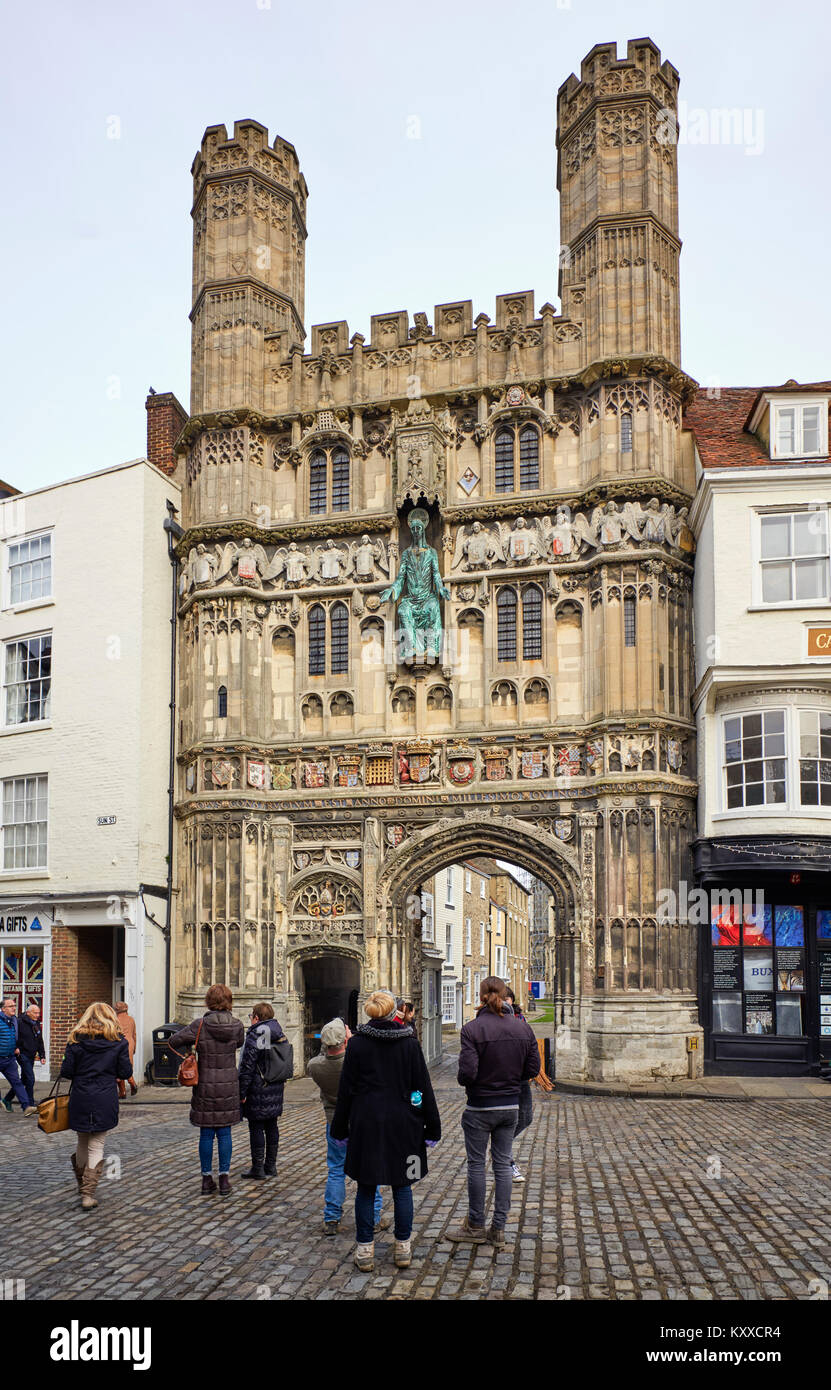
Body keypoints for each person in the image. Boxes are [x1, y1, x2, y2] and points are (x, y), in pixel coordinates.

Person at [330, 990, 441, 1273]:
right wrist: (430, 1123)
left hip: (367, 1123)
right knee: (402, 1186)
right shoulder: (409, 1044)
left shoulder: (357, 1045)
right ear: (396, 1013)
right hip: (404, 1123)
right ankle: (402, 1247)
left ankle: (365, 1250)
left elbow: (347, 1091)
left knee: (366, 1187)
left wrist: (340, 1127)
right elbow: (421, 1087)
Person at [450, 976, 540, 1248]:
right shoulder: (523, 1029)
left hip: (480, 1106)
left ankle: (476, 1225)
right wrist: (511, 1081)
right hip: (509, 1105)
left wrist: (475, 1083)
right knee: (502, 1166)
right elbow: (533, 1069)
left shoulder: (473, 1029)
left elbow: (467, 1073)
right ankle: (498, 1229)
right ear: (505, 996)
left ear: (481, 996)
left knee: (477, 1165)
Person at [308, 1018, 388, 1237]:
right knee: (370, 1169)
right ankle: (373, 1217)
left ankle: (331, 1217)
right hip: (361, 1121)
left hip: (335, 1122)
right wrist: (352, 1042)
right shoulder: (356, 1062)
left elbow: (322, 1058)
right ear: (345, 1040)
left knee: (336, 1169)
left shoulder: (315, 1066)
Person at [170, 984, 245, 1196]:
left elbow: (173, 1040)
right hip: (229, 1084)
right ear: (229, 1001)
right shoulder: (237, 1025)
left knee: (206, 1133)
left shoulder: (199, 1025)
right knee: (224, 1132)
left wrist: (189, 1054)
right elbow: (239, 1043)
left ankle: (206, 1180)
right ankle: (224, 1180)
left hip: (204, 1085)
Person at [59, 1002, 133, 1210]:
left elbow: (66, 1071)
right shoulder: (118, 1042)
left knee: (82, 1140)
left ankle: (83, 1185)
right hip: (104, 1096)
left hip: (81, 1095)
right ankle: (88, 1194)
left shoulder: (75, 1041)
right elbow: (125, 1072)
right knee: (97, 1144)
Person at [238, 1001, 286, 1181]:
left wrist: (241, 1092)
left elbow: (248, 1065)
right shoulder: (278, 1031)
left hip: (259, 1087)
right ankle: (271, 1166)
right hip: (275, 1085)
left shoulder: (260, 1032)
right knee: (272, 1125)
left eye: (251, 1016)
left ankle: (258, 1167)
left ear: (256, 1018)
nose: (250, 1020)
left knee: (257, 1126)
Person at [504, 987, 532, 1183]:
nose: (506, 1001)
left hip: (521, 1078)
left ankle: (501, 1147)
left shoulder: (521, 1020)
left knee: (526, 1117)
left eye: (509, 998)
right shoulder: (490, 1022)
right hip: (503, 1079)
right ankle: (507, 1162)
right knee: (505, 1119)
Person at [2, 998, 40, 1114]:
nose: (14, 1007)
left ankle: (26, 1107)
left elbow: (16, 1036)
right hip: (3, 1056)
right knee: (26, 1079)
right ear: (3, 1009)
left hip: (9, 1058)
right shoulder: (6, 1021)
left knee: (18, 1082)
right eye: (10, 1006)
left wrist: (16, 1047)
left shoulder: (14, 1021)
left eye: (14, 1005)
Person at [114, 1001, 139, 1096]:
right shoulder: (131, 1019)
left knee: (118, 1067)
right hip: (130, 1043)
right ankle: (132, 1084)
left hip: (119, 1043)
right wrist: (134, 1048)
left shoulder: (114, 1020)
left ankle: (123, 1091)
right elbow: (134, 1035)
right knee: (128, 1065)